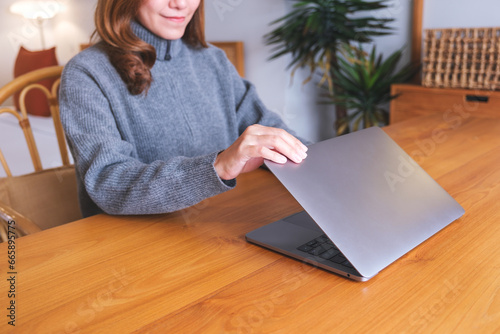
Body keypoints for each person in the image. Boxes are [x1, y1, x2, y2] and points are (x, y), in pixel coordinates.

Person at [59, 0, 308, 217]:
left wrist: (315, 160)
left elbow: (269, 129)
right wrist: (218, 166)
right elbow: (107, 183)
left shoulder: (213, 60)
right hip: (134, 243)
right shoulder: (86, 72)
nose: (181, 3)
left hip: (219, 225)